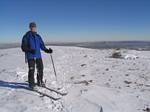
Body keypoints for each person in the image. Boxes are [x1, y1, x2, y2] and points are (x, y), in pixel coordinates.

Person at [21, 22, 53, 89]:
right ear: (30, 28)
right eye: (32, 27)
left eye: (34, 27)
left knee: (40, 69)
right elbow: (23, 47)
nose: (34, 28)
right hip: (30, 56)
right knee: (32, 70)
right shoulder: (26, 36)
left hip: (38, 56)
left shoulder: (38, 36)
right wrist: (30, 50)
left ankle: (40, 81)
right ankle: (31, 84)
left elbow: (42, 45)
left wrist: (47, 50)